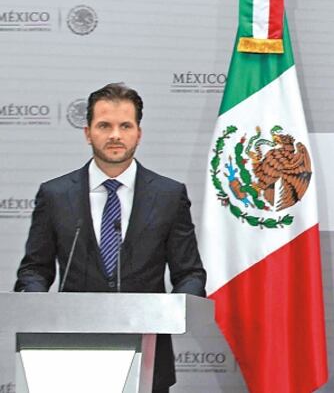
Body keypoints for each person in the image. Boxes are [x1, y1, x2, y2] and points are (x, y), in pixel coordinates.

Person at [15, 83, 206, 393]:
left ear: (138, 133)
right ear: (88, 132)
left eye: (125, 125)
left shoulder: (169, 195)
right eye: (104, 125)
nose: (115, 135)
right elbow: (34, 270)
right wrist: (34, 304)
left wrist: (172, 309)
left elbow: (191, 273)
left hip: (149, 353)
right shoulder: (55, 194)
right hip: (69, 353)